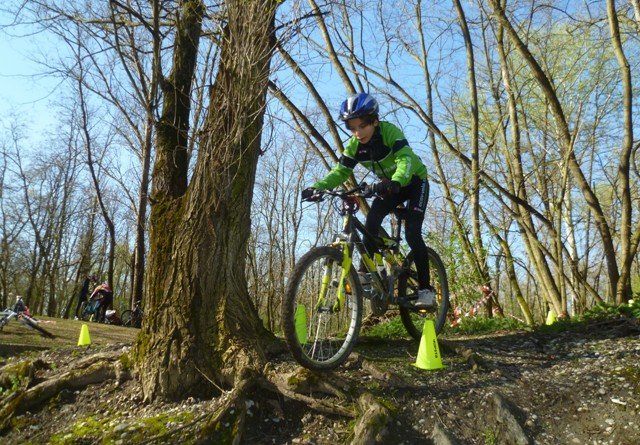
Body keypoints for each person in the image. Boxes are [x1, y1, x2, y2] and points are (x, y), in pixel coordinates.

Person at [301, 92, 435, 309]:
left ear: (374, 120)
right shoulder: (355, 145)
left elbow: (406, 160)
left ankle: (426, 290)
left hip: (414, 182)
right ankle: (365, 275)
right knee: (371, 222)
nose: (357, 133)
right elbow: (340, 172)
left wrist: (397, 180)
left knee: (412, 234)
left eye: (362, 126)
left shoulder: (390, 132)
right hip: (390, 186)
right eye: (352, 128)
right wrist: (318, 187)